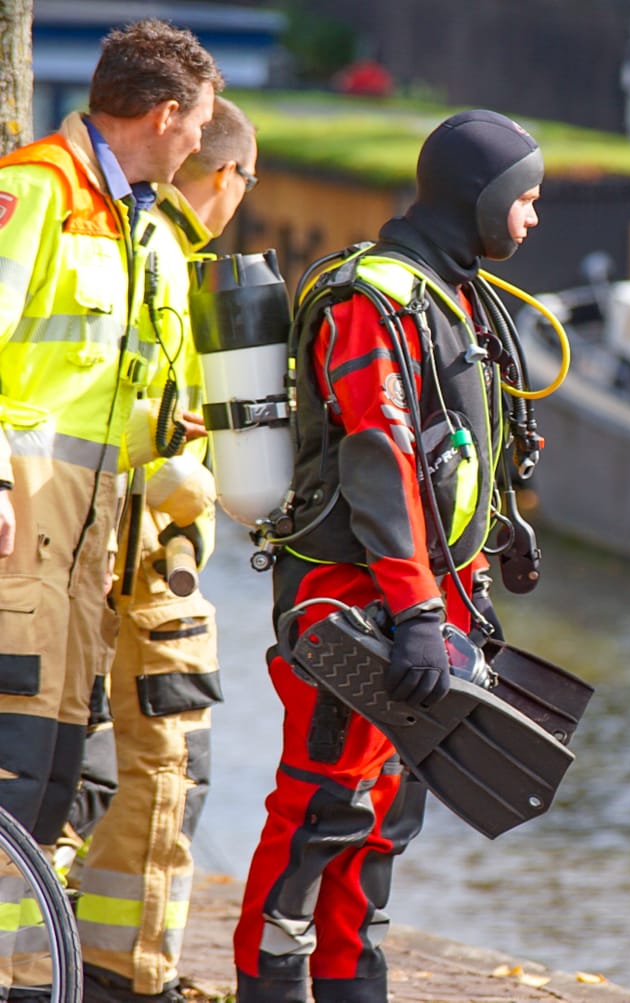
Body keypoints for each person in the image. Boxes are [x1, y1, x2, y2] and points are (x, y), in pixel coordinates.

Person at [233, 109, 543, 1003]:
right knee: (320, 807)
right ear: (477, 196)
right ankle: (267, 984)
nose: (532, 217)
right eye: (524, 198)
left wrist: (492, 549)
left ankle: (352, 982)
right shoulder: (373, 300)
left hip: (427, 607)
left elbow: (458, 451)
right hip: (353, 603)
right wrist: (414, 611)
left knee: (384, 818)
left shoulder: (454, 292)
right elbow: (382, 457)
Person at [0, 15, 220, 851]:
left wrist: (160, 431)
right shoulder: (39, 192)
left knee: (49, 778)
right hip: (22, 528)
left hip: (80, 547)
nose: (198, 144)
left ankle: (27, 941)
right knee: (12, 767)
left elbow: (86, 385)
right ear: (164, 115)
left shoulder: (136, 222)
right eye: (198, 125)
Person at [72, 95, 258, 1003]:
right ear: (226, 174)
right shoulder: (168, 261)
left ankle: (62, 963)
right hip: (146, 566)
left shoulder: (139, 243)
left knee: (82, 770)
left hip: (96, 556)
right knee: (167, 770)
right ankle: (116, 974)